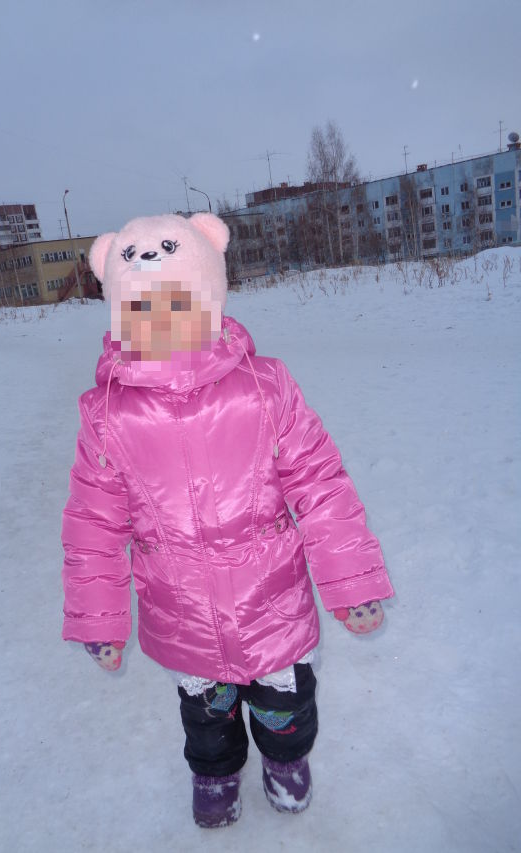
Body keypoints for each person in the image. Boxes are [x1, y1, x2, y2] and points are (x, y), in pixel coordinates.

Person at [61, 212, 394, 828]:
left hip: (273, 602)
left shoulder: (264, 388)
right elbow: (93, 524)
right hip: (182, 611)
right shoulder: (108, 415)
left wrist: (353, 583)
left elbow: (321, 485)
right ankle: (214, 773)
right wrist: (99, 617)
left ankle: (286, 762)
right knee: (206, 718)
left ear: (210, 297)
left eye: (179, 302)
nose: (162, 321)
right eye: (141, 308)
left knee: (285, 708)